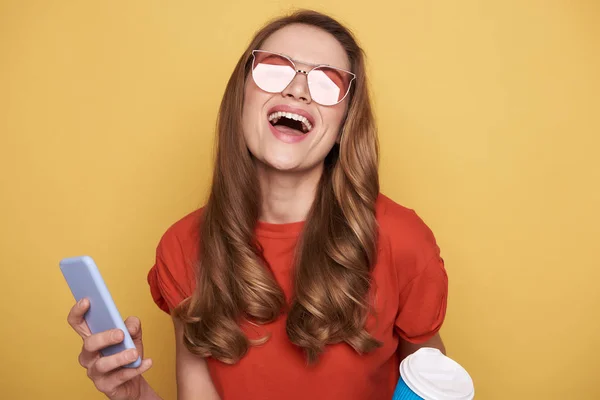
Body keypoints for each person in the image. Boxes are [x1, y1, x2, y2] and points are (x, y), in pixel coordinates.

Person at [67, 10, 448, 400]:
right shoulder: (183, 247)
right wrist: (134, 394)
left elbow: (433, 384)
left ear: (343, 125)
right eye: (274, 69)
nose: (297, 90)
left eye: (325, 81)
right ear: (242, 98)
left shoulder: (401, 239)